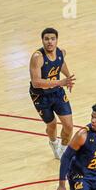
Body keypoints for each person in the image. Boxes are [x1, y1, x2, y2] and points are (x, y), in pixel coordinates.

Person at [29, 27, 76, 159]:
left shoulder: (61, 52)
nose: (50, 42)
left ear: (56, 40)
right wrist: (60, 82)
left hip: (57, 92)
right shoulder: (37, 57)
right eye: (46, 39)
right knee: (52, 124)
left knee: (69, 125)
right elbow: (36, 82)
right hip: (40, 96)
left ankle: (63, 150)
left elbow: (60, 63)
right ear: (42, 41)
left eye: (52, 39)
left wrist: (68, 77)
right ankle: (54, 143)